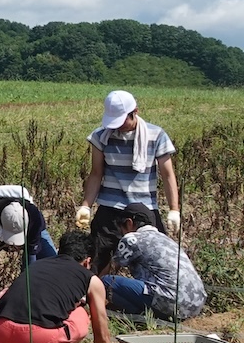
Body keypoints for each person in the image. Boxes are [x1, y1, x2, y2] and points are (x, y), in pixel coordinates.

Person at [0, 230, 114, 343]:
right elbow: (101, 331)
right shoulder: (90, 279)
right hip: (36, 339)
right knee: (81, 315)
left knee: (7, 292)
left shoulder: (37, 265)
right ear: (87, 261)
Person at [76, 90, 180, 276]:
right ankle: (95, 300)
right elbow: (96, 173)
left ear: (135, 112)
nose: (119, 127)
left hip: (144, 211)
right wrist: (86, 206)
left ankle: (146, 300)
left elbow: (168, 174)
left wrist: (174, 209)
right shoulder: (101, 137)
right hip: (110, 209)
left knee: (156, 260)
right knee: (99, 261)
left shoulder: (156, 136)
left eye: (123, 120)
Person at [101, 202, 205, 321]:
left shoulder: (132, 238)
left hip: (170, 300)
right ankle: (145, 317)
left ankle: (138, 317)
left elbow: (112, 268)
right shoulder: (166, 239)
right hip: (196, 304)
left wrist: (89, 289)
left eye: (122, 228)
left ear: (129, 223)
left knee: (106, 281)